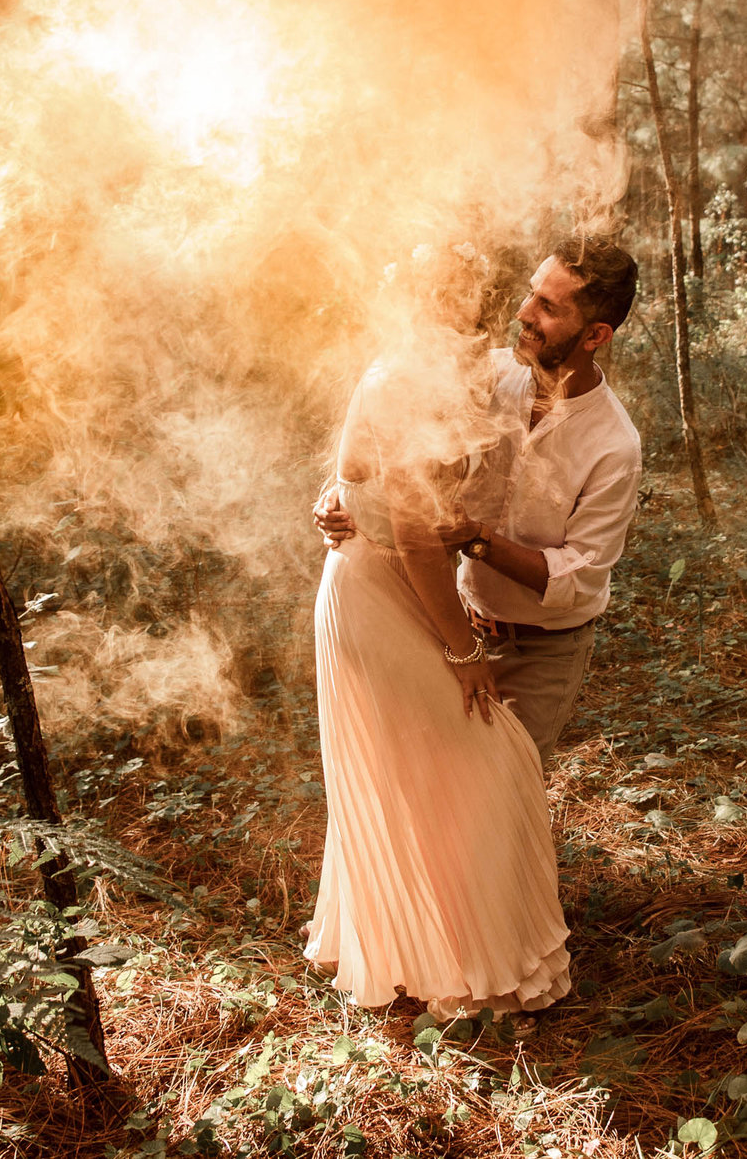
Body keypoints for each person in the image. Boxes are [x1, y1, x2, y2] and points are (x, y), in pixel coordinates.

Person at [301, 247, 574, 1017]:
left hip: (387, 579)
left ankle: (428, 945)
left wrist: (352, 497)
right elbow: (409, 527)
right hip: (375, 590)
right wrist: (464, 655)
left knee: (433, 766)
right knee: (488, 756)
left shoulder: (465, 373)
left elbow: (367, 478)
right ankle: (448, 957)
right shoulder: (400, 379)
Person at [315, 236, 643, 758]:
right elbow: (395, 442)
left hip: (543, 651)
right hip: (452, 621)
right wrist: (341, 495)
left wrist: (479, 539)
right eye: (531, 293)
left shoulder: (614, 446)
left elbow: (579, 579)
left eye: (547, 307)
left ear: (596, 334)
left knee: (510, 789)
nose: (522, 312)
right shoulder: (484, 373)